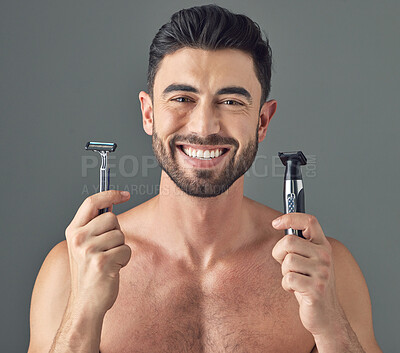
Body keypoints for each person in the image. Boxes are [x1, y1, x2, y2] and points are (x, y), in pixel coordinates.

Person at [28, 5, 382, 353]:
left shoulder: (326, 271)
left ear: (262, 122)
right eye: (182, 98)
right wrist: (82, 316)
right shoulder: (70, 271)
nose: (204, 127)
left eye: (230, 102)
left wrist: (332, 325)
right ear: (149, 113)